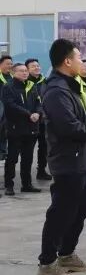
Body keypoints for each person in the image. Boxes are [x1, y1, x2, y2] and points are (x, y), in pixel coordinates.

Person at [36, 39, 86, 275]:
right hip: (67, 160)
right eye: (79, 57)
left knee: (79, 211)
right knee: (61, 212)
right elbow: (68, 127)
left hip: (81, 160)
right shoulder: (56, 90)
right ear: (67, 61)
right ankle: (47, 263)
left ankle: (67, 254)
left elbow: (77, 116)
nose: (82, 62)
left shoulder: (71, 86)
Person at [2, 62, 43, 195]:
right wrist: (29, 114)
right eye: (21, 71)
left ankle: (27, 184)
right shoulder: (8, 87)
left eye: (26, 70)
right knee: (12, 158)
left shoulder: (31, 85)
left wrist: (38, 113)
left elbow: (38, 102)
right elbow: (10, 105)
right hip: (15, 128)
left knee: (28, 158)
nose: (25, 73)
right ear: (13, 73)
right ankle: (9, 185)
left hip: (31, 128)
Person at [25, 58, 52, 181]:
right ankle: (26, 177)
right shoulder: (25, 82)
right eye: (33, 66)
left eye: (37, 65)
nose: (36, 68)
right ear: (27, 69)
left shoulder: (45, 81)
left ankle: (41, 170)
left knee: (44, 147)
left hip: (43, 119)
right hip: (30, 119)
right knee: (28, 148)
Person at [0, 54, 12, 162]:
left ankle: (3, 152)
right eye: (7, 64)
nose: (10, 66)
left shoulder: (13, 77)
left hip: (9, 108)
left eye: (11, 64)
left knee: (4, 131)